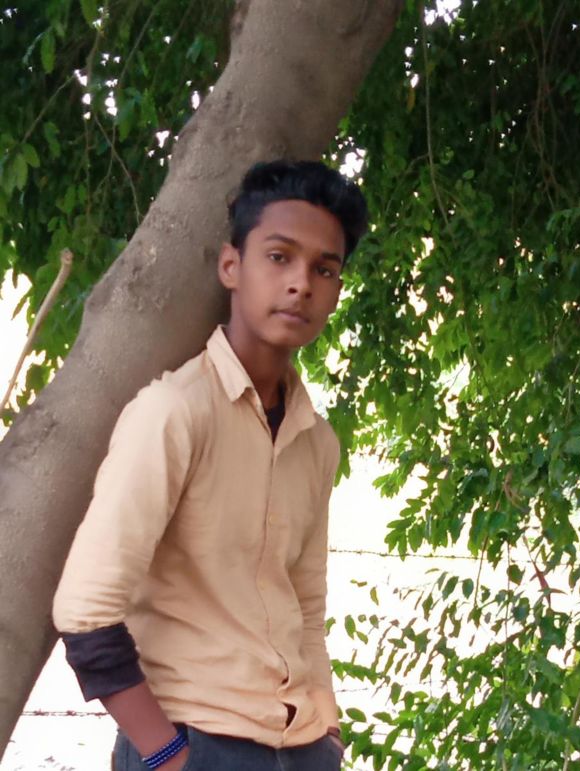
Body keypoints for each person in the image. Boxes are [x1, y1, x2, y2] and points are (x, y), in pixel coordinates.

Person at [52, 160, 368, 771]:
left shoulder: (317, 441)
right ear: (231, 266)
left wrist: (327, 729)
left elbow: (305, 605)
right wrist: (167, 755)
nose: (301, 283)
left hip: (303, 747)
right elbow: (85, 610)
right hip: (195, 740)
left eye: (324, 269)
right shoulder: (174, 413)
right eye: (279, 257)